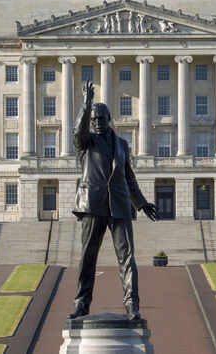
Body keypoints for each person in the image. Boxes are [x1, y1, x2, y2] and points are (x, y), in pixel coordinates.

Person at [69, 80, 159, 321]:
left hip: (119, 204)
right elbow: (77, 130)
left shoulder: (122, 144)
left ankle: (132, 304)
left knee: (127, 256)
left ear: (109, 119)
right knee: (88, 256)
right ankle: (81, 303)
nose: (97, 123)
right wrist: (86, 104)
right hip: (92, 203)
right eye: (94, 119)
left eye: (101, 118)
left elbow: (128, 177)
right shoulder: (85, 143)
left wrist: (142, 203)